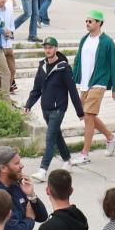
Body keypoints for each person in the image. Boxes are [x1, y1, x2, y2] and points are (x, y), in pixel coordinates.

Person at [25, 37, 85, 178]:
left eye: (51, 47)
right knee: (56, 135)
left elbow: (72, 91)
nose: (48, 50)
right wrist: (28, 105)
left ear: (56, 49)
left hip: (59, 109)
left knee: (50, 137)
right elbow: (36, 89)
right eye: (46, 47)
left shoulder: (63, 67)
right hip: (45, 108)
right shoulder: (42, 66)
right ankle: (67, 160)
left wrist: (79, 112)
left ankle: (43, 170)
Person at [74, 13, 115, 161]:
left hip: (99, 83)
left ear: (99, 23)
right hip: (84, 84)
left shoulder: (107, 42)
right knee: (89, 115)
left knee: (88, 116)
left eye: (90, 21)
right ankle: (111, 137)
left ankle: (84, 154)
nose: (87, 23)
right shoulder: (84, 39)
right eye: (86, 21)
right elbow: (77, 60)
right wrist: (73, 79)